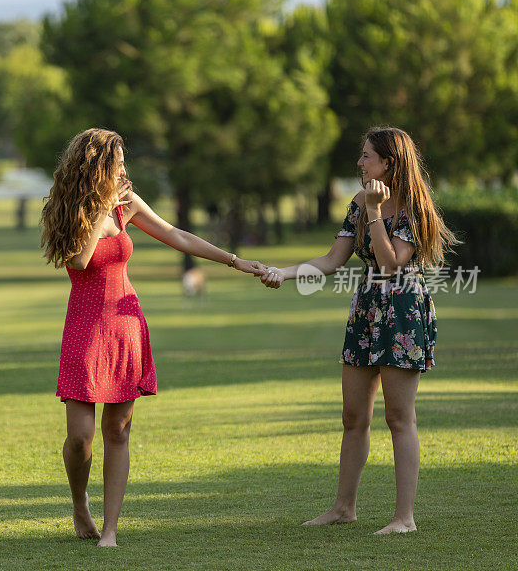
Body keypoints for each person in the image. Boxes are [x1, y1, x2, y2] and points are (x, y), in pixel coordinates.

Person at [40, 128, 265, 547]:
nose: (125, 170)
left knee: (119, 429)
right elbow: (80, 259)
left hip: (126, 324)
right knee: (80, 437)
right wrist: (101, 210)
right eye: (118, 163)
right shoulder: (70, 206)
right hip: (85, 327)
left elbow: (176, 235)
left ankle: (111, 528)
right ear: (95, 165)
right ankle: (79, 503)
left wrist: (233, 260)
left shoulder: (126, 204)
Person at [257, 126, 458, 534]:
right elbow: (332, 260)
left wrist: (374, 212)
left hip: (402, 312)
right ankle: (343, 507)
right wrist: (285, 272)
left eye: (367, 156)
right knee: (353, 416)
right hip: (367, 311)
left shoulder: (414, 209)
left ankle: (404, 518)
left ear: (389, 162)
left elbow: (388, 264)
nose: (360, 162)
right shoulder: (357, 202)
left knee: (399, 417)